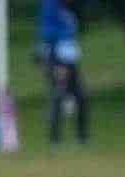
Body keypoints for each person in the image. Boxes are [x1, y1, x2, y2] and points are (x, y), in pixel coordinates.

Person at [39, 0, 89, 145]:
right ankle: (55, 139)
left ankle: (82, 137)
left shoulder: (69, 8)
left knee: (81, 96)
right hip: (57, 56)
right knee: (58, 95)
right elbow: (47, 32)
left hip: (70, 56)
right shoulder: (50, 5)